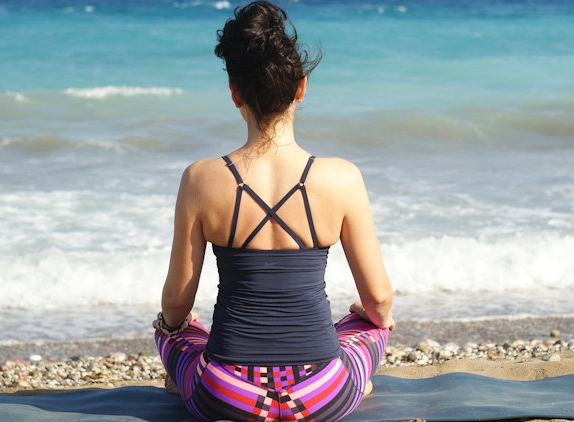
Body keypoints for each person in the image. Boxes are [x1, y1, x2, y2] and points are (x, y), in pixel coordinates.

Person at [154, 1, 394, 420]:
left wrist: (174, 327)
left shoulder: (200, 179)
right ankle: (356, 380)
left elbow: (176, 304)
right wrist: (370, 317)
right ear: (301, 87)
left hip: (227, 395)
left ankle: (184, 378)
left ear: (235, 94)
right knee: (371, 326)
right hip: (320, 394)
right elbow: (378, 298)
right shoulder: (342, 178)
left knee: (171, 332)